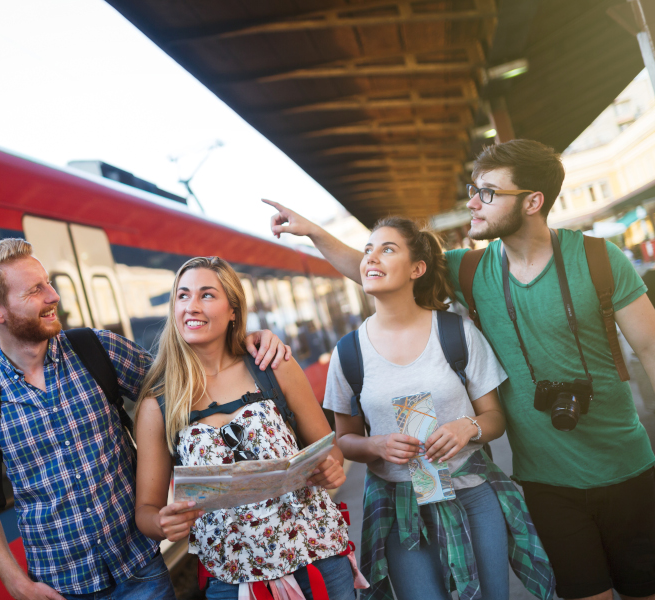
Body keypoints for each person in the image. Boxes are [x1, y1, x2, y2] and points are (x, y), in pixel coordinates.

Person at [265, 138, 655, 600]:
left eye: (488, 192)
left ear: (533, 201)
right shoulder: (470, 271)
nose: (473, 201)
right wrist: (314, 231)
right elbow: (378, 268)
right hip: (546, 482)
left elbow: (650, 348)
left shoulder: (598, 259)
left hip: (630, 468)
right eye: (474, 188)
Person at [0, 239, 292, 600]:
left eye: (48, 283)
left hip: (139, 571)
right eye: (36, 290)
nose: (53, 296)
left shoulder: (97, 349)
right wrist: (15, 583)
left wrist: (243, 342)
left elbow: (188, 383)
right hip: (60, 586)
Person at [322, 217, 553, 600]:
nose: (371, 257)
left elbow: (494, 417)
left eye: (387, 248)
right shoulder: (348, 353)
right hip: (399, 511)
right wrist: (376, 446)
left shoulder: (456, 333)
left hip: (472, 495)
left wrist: (467, 427)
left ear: (418, 269)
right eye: (367, 250)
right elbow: (344, 439)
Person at [133, 256, 356, 600]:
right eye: (182, 295)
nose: (191, 306)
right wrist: (163, 524)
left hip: (319, 559)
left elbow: (331, 452)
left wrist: (330, 469)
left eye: (207, 295)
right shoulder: (158, 403)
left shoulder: (273, 366)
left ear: (233, 310)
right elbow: (146, 511)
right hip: (232, 581)